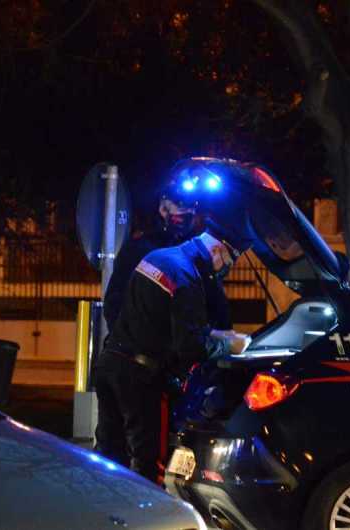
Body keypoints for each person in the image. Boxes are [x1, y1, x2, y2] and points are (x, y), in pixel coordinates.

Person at [94, 157, 257, 483]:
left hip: (111, 364)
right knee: (147, 464)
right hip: (142, 376)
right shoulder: (186, 276)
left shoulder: (159, 257)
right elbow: (189, 344)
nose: (228, 267)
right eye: (231, 259)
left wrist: (214, 335)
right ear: (219, 250)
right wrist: (230, 345)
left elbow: (147, 315)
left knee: (108, 455)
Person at [103, 179, 200, 333]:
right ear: (163, 209)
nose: (188, 213)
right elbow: (115, 302)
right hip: (141, 344)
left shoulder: (194, 254)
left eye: (192, 207)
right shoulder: (138, 250)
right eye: (181, 206)